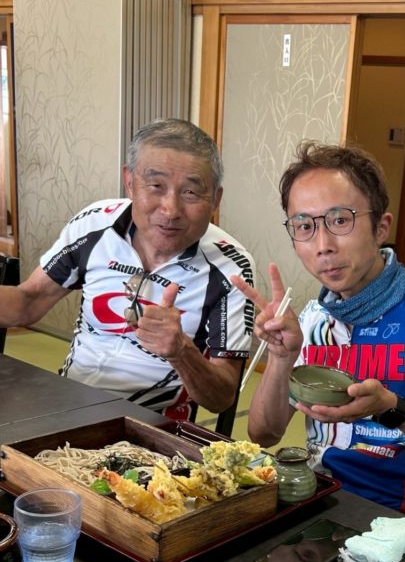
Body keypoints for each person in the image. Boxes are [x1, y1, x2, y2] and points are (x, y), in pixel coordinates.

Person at [231, 141, 405, 518]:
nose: (323, 246)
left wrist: (393, 409)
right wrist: (282, 357)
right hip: (311, 499)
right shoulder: (312, 318)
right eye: (305, 226)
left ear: (381, 228)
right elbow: (264, 434)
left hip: (394, 518)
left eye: (340, 220)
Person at [0, 118, 254, 419]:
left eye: (190, 192)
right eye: (156, 186)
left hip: (151, 425)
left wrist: (181, 352)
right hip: (67, 403)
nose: (170, 210)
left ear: (215, 199)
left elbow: (222, 398)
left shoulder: (230, 268)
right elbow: (28, 301)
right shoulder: (94, 224)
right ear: (130, 182)